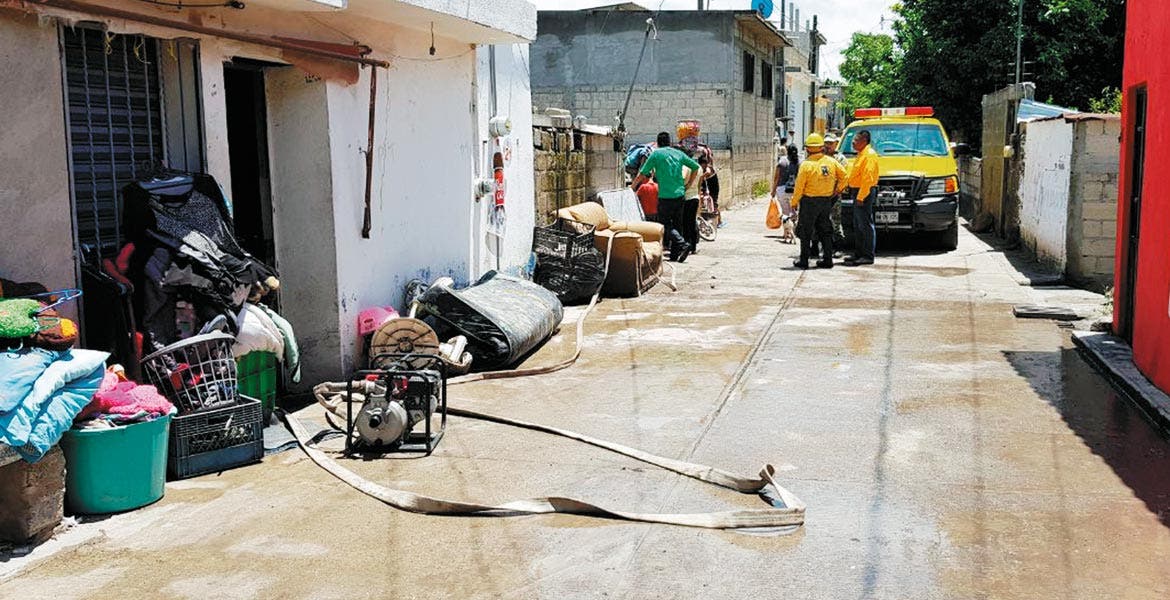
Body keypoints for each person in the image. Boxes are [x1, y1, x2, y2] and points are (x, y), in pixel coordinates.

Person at [631, 131, 701, 262]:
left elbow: (642, 173)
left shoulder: (656, 154)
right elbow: (695, 167)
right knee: (678, 225)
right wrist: (689, 184)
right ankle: (675, 255)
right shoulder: (678, 153)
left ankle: (683, 244)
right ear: (669, 142)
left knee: (664, 225)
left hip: (665, 196)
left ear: (658, 143)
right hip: (680, 195)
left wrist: (632, 187)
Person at [790, 133, 847, 270]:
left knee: (806, 231)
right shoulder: (831, 162)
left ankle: (804, 260)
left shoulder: (806, 165)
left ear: (808, 149)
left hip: (809, 201)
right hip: (826, 201)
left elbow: (799, 186)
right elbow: (845, 176)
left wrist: (794, 202)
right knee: (825, 230)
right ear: (821, 147)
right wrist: (837, 190)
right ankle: (828, 260)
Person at [845, 130, 880, 266]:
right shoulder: (861, 154)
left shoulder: (869, 155)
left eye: (856, 140)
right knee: (858, 225)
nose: (853, 142)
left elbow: (868, 179)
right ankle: (859, 254)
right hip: (857, 192)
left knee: (865, 225)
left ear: (864, 141)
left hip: (863, 193)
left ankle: (867, 255)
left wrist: (861, 196)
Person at [823, 134, 848, 254]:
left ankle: (839, 247)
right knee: (822, 222)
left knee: (835, 222)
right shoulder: (820, 158)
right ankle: (824, 247)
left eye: (830, 143)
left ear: (836, 144)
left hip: (835, 195)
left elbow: (842, 177)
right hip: (821, 195)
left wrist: (836, 191)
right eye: (826, 143)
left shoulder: (840, 158)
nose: (828, 146)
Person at [681, 149, 705, 252]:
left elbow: (682, 179)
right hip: (695, 197)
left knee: (685, 223)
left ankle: (687, 244)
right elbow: (700, 185)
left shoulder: (685, 167)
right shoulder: (699, 168)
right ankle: (694, 246)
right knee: (692, 222)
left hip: (687, 197)